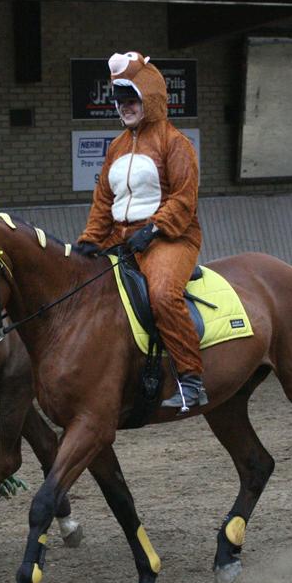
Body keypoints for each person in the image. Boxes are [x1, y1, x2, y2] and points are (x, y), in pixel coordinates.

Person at [75, 51, 207, 411]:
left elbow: (184, 198)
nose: (125, 107)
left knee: (162, 294)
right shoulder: (116, 147)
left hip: (171, 238)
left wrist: (154, 229)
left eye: (131, 99)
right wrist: (89, 240)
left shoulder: (175, 143)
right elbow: (104, 201)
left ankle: (191, 378)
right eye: (119, 101)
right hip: (121, 237)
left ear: (149, 98)